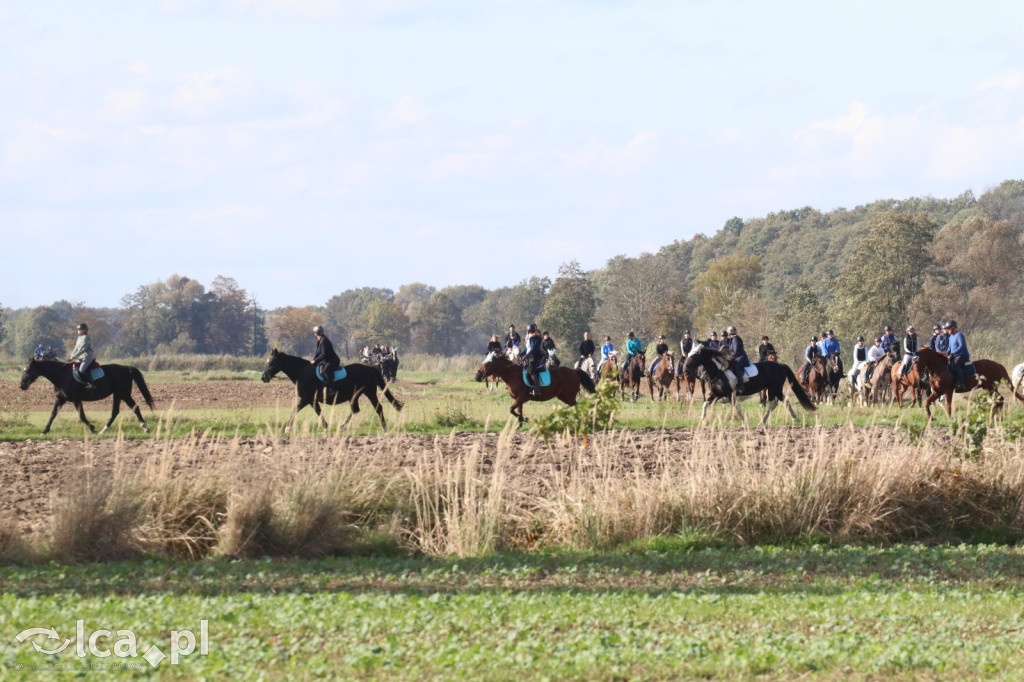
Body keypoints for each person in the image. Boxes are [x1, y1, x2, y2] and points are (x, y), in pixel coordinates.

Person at [312, 325, 340, 390]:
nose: (315, 335)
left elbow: (323, 354)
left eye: (315, 333)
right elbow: (317, 353)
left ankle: (332, 389)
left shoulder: (324, 341)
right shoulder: (319, 341)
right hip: (326, 361)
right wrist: (313, 361)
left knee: (326, 371)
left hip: (332, 361)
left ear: (317, 334)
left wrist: (315, 361)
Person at [944, 320, 970, 390]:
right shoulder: (951, 337)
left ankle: (962, 383)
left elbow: (961, 346)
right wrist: (947, 353)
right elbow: (949, 347)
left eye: (948, 328)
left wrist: (953, 353)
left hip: (962, 355)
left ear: (953, 327)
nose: (947, 330)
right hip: (954, 355)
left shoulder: (959, 335)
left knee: (955, 364)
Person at [69, 322, 96, 388]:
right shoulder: (79, 338)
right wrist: (71, 356)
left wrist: (74, 356)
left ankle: (91, 383)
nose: (78, 330)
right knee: (74, 368)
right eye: (78, 329)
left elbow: (82, 349)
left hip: (87, 357)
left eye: (80, 329)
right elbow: (76, 348)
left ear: (84, 330)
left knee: (82, 370)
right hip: (80, 357)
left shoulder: (85, 338)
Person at [725, 325, 751, 391]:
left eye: (728, 332)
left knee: (737, 368)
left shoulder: (735, 339)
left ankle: (741, 385)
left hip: (742, 358)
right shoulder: (732, 339)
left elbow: (736, 352)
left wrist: (730, 356)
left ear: (730, 332)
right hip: (737, 358)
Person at [523, 323, 545, 395]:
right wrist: (521, 354)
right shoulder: (535, 337)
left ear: (528, 331)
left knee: (532, 372)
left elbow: (532, 348)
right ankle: (531, 387)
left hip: (533, 356)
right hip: (533, 356)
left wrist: (526, 355)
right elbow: (528, 348)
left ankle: (537, 390)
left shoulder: (533, 338)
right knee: (527, 370)